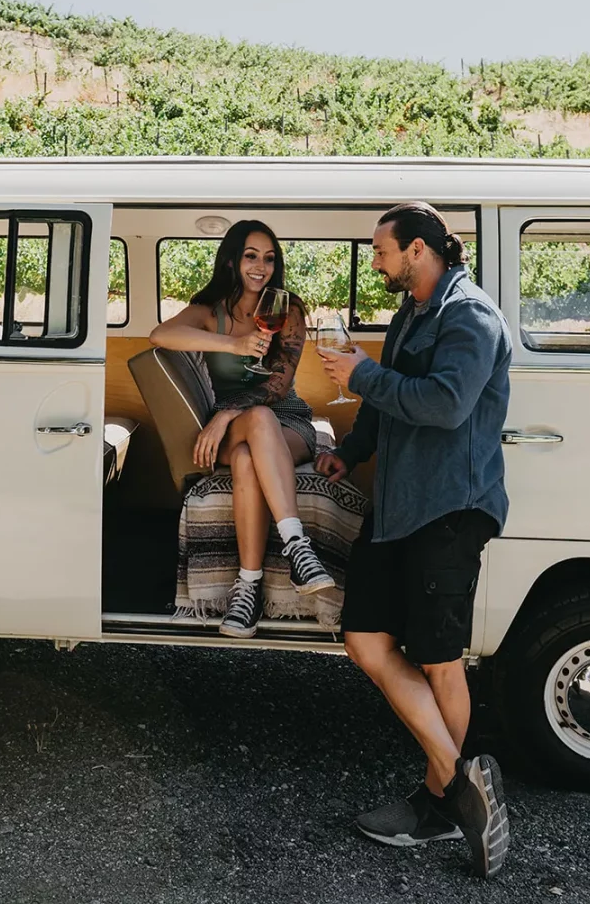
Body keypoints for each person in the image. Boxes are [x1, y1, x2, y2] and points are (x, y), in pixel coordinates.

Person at [316, 202, 512, 878]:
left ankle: (436, 805)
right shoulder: (410, 314)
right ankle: (462, 784)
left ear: (420, 250)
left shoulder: (471, 316)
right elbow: (389, 403)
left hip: (449, 510)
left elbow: (447, 403)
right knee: (364, 639)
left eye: (381, 250)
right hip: (398, 505)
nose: (375, 261)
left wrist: (359, 374)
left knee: (438, 659)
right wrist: (354, 445)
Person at [149, 220, 335, 638]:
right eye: (251, 256)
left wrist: (224, 414)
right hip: (233, 424)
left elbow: (278, 384)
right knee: (251, 432)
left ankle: (247, 587)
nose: (261, 266)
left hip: (284, 419)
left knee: (253, 450)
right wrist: (231, 345)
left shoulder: (288, 309)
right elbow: (161, 334)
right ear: (233, 261)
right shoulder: (207, 310)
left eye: (269, 258)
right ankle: (298, 549)